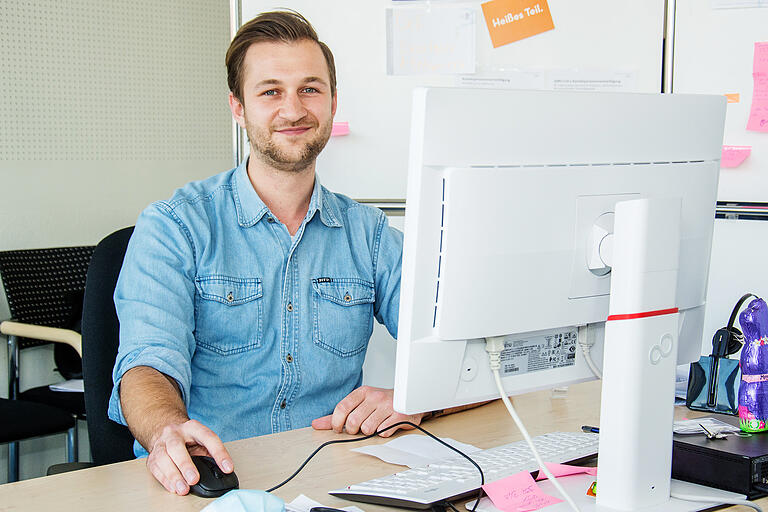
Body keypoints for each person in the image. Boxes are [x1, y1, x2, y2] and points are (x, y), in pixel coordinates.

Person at [108, 9, 477, 497]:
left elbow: (463, 346)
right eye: (270, 91)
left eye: (310, 88)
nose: (294, 109)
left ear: (332, 101)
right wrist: (164, 429)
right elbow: (145, 364)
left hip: (332, 480)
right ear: (237, 107)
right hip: (206, 484)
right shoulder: (176, 226)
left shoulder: (367, 233)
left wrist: (418, 400)